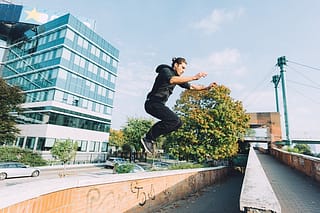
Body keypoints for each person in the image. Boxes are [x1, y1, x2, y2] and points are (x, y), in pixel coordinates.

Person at [141, 57, 216, 154]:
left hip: (159, 104)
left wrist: (206, 88)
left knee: (178, 123)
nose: (183, 71)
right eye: (183, 67)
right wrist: (194, 77)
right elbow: (172, 80)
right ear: (176, 65)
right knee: (174, 120)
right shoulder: (165, 71)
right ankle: (148, 138)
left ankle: (151, 138)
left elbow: (192, 86)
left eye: (185, 69)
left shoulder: (178, 78)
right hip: (152, 103)